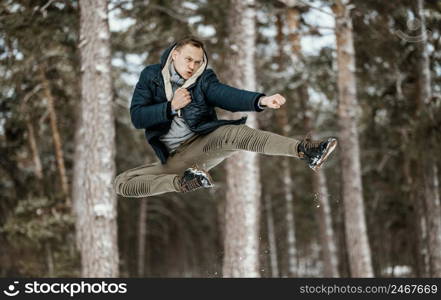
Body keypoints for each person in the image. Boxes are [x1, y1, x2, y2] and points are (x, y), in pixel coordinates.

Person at [114, 37, 337, 197]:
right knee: (122, 183)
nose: (192, 66)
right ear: (175, 55)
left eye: (198, 62)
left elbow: (226, 95)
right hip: (174, 159)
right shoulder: (151, 76)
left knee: (235, 133)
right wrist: (169, 107)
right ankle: (183, 182)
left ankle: (306, 151)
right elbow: (138, 117)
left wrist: (261, 100)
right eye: (188, 60)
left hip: (203, 144)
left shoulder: (204, 80)